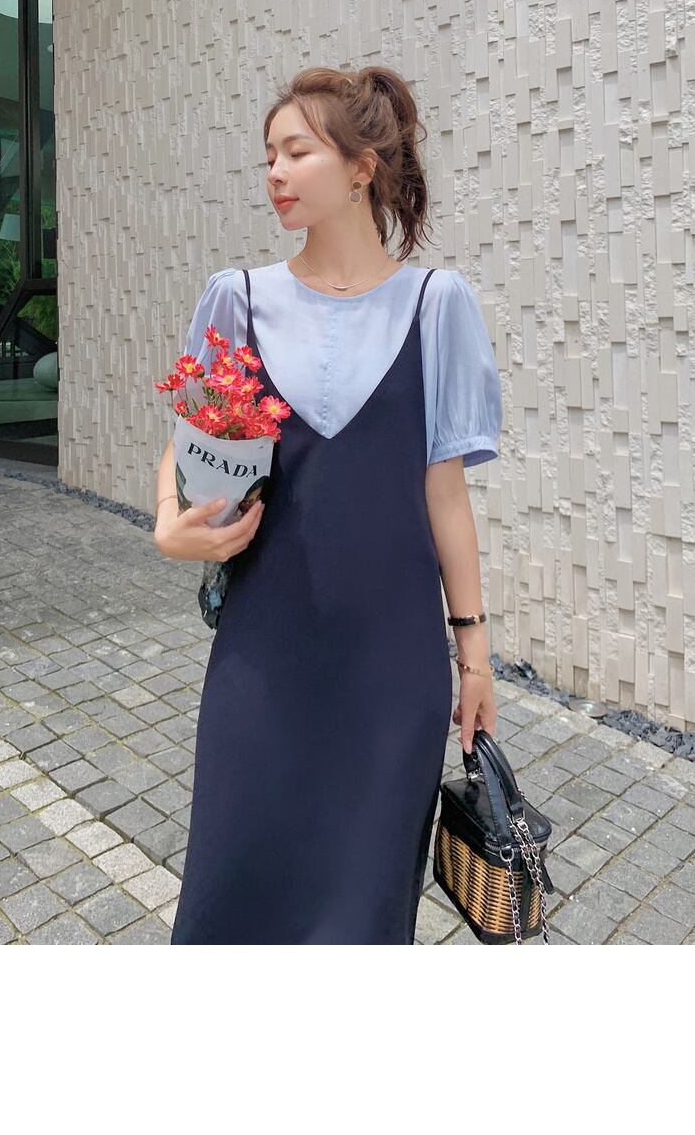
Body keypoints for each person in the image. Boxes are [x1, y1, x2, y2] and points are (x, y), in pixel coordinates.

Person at [154, 65, 503, 944]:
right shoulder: (238, 299)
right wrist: (169, 524)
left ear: (361, 167)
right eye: (268, 155)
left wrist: (474, 655)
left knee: (364, 913)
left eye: (296, 152)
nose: (274, 171)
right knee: (230, 892)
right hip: (262, 657)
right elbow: (188, 443)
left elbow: (445, 495)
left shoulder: (436, 306)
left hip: (392, 674)